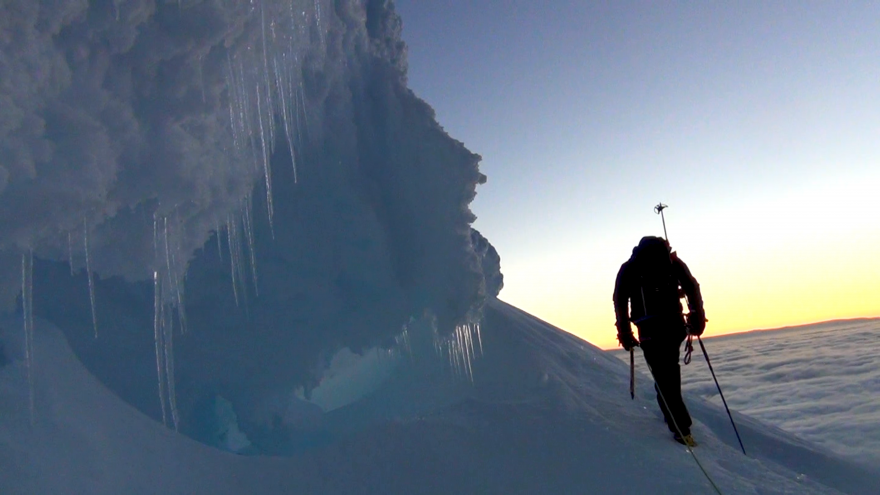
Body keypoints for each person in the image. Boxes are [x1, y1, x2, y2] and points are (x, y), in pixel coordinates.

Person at [613, 236, 705, 447]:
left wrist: (625, 333)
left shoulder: (630, 267)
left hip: (649, 330)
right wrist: (697, 317)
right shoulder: (672, 262)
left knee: (663, 375)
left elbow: (619, 298)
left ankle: (680, 428)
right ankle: (675, 419)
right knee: (669, 371)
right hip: (674, 326)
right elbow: (692, 287)